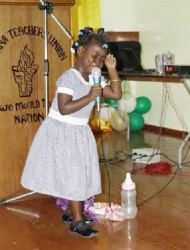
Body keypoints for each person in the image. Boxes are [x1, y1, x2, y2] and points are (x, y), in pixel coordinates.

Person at [21, 27, 122, 238]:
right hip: (61, 131)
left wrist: (111, 70)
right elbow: (64, 107)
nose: (97, 62)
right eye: (94, 56)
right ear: (81, 51)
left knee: (79, 174)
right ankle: (77, 221)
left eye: (102, 59)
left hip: (79, 132)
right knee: (73, 175)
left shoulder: (95, 79)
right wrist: (90, 96)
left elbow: (116, 93)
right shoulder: (69, 77)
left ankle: (70, 211)